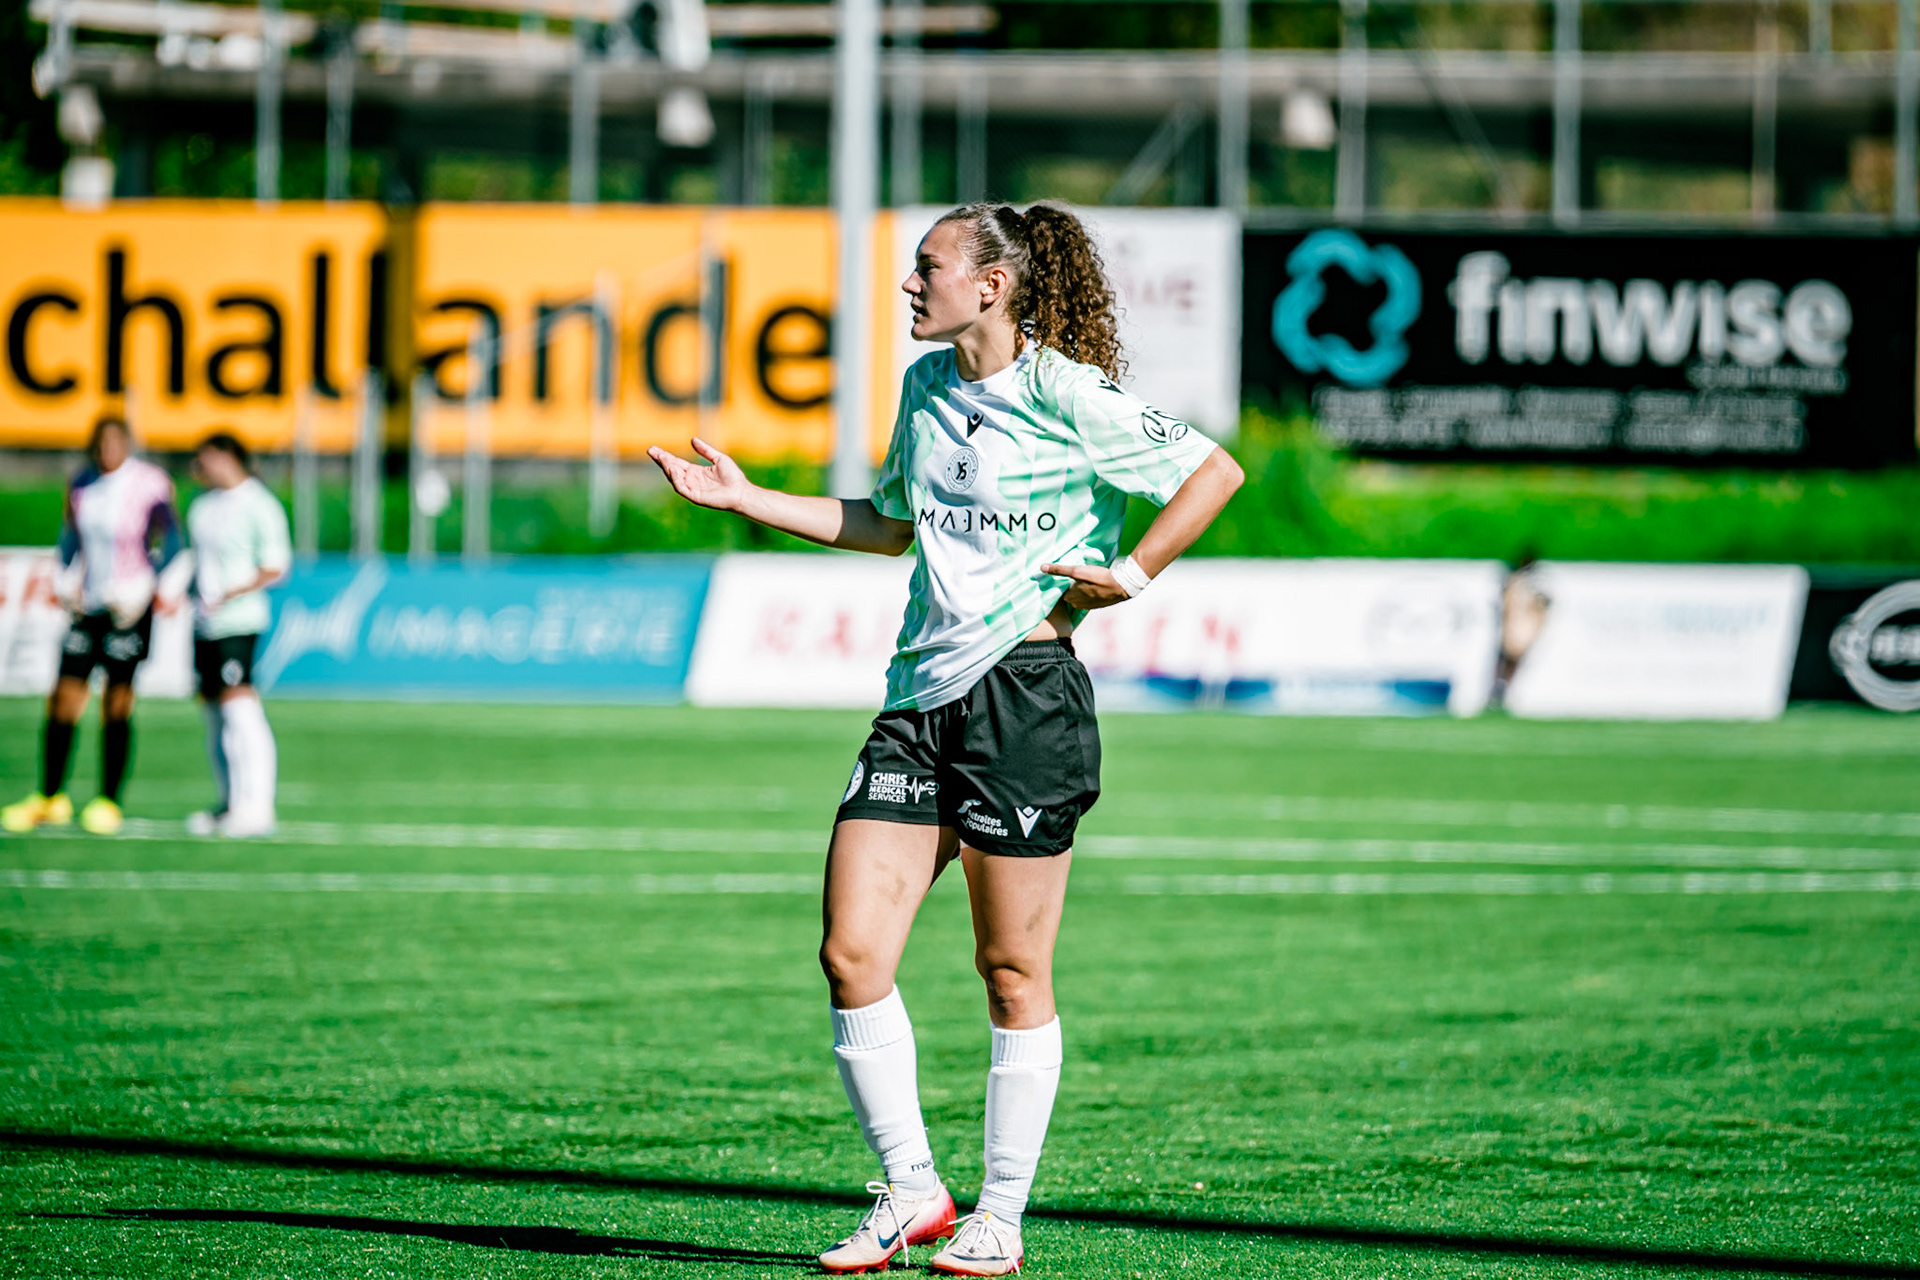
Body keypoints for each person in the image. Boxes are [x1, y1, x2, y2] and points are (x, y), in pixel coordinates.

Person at [648, 202, 1244, 1277]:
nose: (911, 286)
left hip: (1025, 690)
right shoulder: (926, 389)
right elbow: (891, 525)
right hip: (916, 699)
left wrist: (1132, 572)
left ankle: (1001, 1213)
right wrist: (746, 500)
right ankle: (914, 1187)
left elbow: (1214, 471)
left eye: (927, 268)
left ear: (992, 285)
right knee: (850, 951)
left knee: (1011, 968)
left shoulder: (1064, 390)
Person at [3, 415, 182, 836]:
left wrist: (146, 590)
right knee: (62, 699)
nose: (108, 451)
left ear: (128, 445)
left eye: (116, 442)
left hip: (129, 608)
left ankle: (108, 799)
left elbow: (171, 540)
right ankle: (50, 797)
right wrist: (64, 579)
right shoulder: (80, 483)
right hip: (88, 606)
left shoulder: (150, 482)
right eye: (101, 443)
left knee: (116, 703)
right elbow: (70, 537)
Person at [182, 432, 291, 838]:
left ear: (227, 458)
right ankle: (228, 803)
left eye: (205, 458)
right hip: (204, 621)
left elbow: (277, 566)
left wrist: (233, 590)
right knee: (213, 714)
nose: (199, 467)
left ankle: (257, 806)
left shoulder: (259, 503)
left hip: (240, 619)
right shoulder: (203, 506)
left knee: (240, 709)